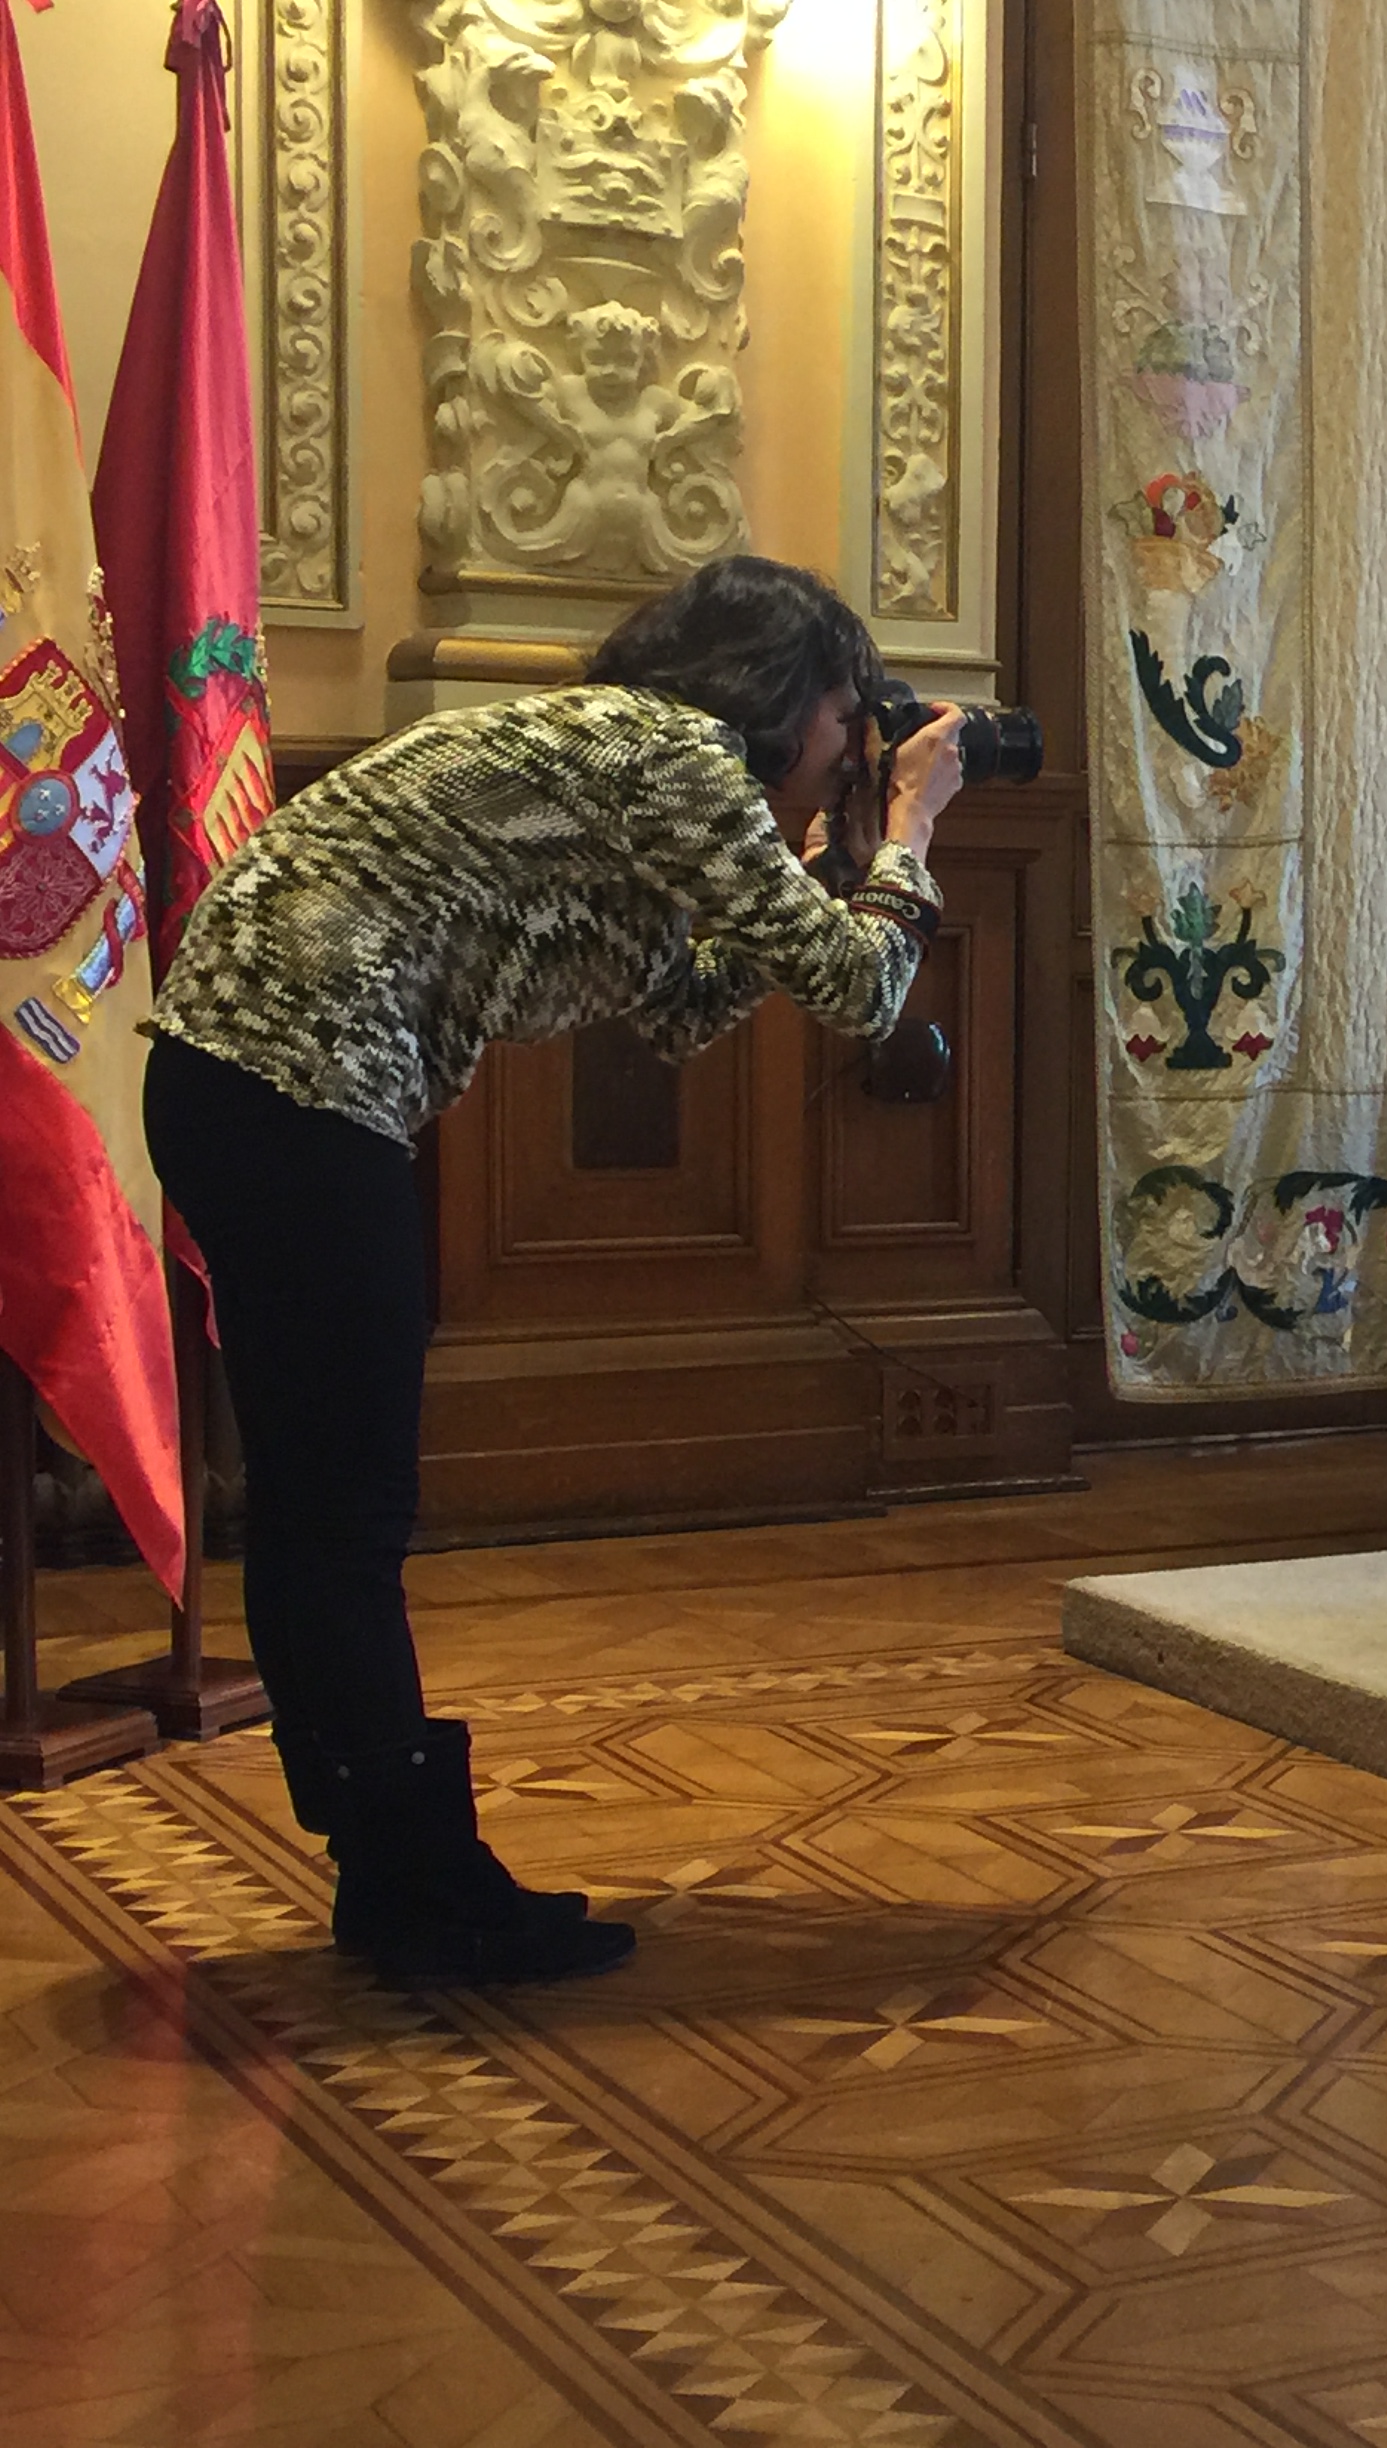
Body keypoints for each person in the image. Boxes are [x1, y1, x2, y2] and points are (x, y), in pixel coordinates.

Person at [144, 555, 969, 1986]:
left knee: (318, 1506)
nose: (855, 743)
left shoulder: (618, 763)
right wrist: (911, 829)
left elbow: (683, 1012)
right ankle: (421, 1888)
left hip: (245, 1087)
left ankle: (391, 1868)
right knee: (346, 1513)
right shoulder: (676, 755)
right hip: (297, 1090)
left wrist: (827, 874)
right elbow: (860, 989)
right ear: (785, 697)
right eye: (851, 714)